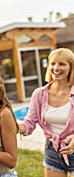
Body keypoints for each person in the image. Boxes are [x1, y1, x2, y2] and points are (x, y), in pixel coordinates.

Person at [18, 48, 74, 177]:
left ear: (71, 67)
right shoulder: (39, 94)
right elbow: (29, 122)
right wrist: (14, 126)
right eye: (53, 63)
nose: (56, 68)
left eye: (62, 64)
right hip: (52, 150)